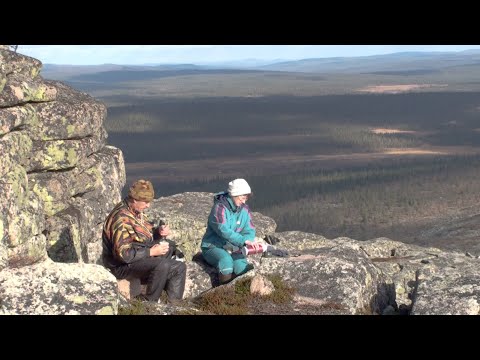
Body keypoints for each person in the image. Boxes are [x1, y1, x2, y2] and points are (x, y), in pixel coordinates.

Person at [102, 179, 186, 303]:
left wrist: (158, 232)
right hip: (120, 266)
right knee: (162, 264)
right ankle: (150, 303)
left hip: (136, 256)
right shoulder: (120, 218)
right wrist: (150, 252)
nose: (148, 205)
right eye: (145, 202)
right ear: (135, 199)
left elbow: (142, 233)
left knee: (179, 267)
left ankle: (174, 305)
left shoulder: (135, 211)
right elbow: (123, 255)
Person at [201, 178, 262, 284]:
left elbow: (249, 229)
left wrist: (248, 240)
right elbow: (223, 230)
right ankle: (224, 293)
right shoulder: (219, 208)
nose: (244, 201)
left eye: (246, 198)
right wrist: (243, 241)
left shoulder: (244, 210)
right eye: (242, 197)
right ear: (234, 195)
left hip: (234, 247)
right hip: (213, 247)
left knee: (242, 267)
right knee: (226, 261)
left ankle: (241, 296)